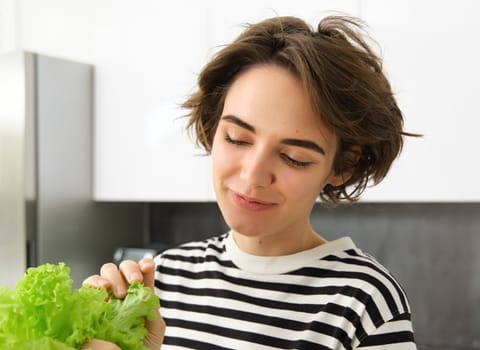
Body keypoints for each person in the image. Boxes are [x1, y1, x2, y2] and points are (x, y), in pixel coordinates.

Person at [83, 14, 417, 349]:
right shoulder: (164, 278)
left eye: (293, 157)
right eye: (237, 138)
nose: (252, 175)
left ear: (342, 166)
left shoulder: (364, 303)